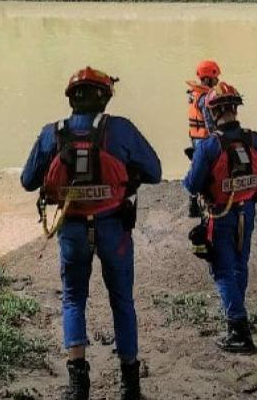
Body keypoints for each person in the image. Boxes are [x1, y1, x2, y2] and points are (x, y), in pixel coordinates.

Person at [20, 67, 162, 400]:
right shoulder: (121, 129)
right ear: (105, 98)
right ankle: (129, 384)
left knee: (73, 300)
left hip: (72, 229)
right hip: (114, 227)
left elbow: (28, 181)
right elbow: (155, 171)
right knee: (122, 301)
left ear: (71, 100)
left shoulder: (51, 133)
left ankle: (77, 385)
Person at [183, 82, 257, 353]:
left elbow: (191, 185)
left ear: (213, 113)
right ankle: (238, 312)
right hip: (247, 212)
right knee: (240, 264)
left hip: (220, 215)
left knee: (222, 270)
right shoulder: (254, 139)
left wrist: (194, 166)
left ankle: (238, 329)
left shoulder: (208, 146)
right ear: (235, 109)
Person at [185, 60, 222, 217]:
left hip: (194, 137)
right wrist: (218, 136)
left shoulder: (194, 94)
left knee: (196, 167)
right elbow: (209, 122)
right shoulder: (204, 98)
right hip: (205, 139)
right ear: (207, 79)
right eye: (215, 78)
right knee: (208, 172)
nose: (217, 80)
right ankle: (208, 204)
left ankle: (193, 202)